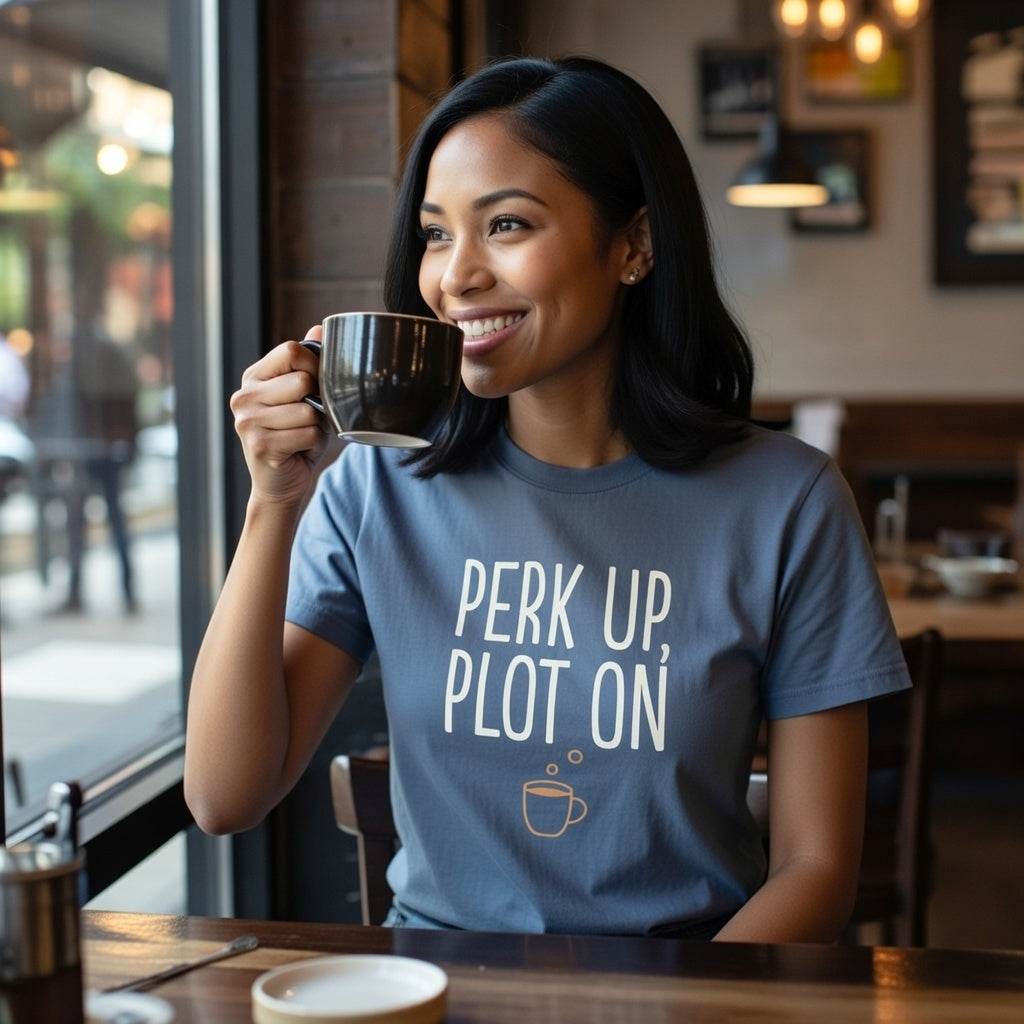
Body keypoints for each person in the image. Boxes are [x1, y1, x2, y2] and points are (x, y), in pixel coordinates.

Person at [184, 55, 910, 942]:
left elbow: (817, 867)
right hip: (435, 995)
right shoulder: (377, 490)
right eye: (436, 234)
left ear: (633, 245)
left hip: (686, 999)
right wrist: (271, 505)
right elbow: (225, 796)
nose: (456, 277)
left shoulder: (788, 504)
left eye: (508, 225)